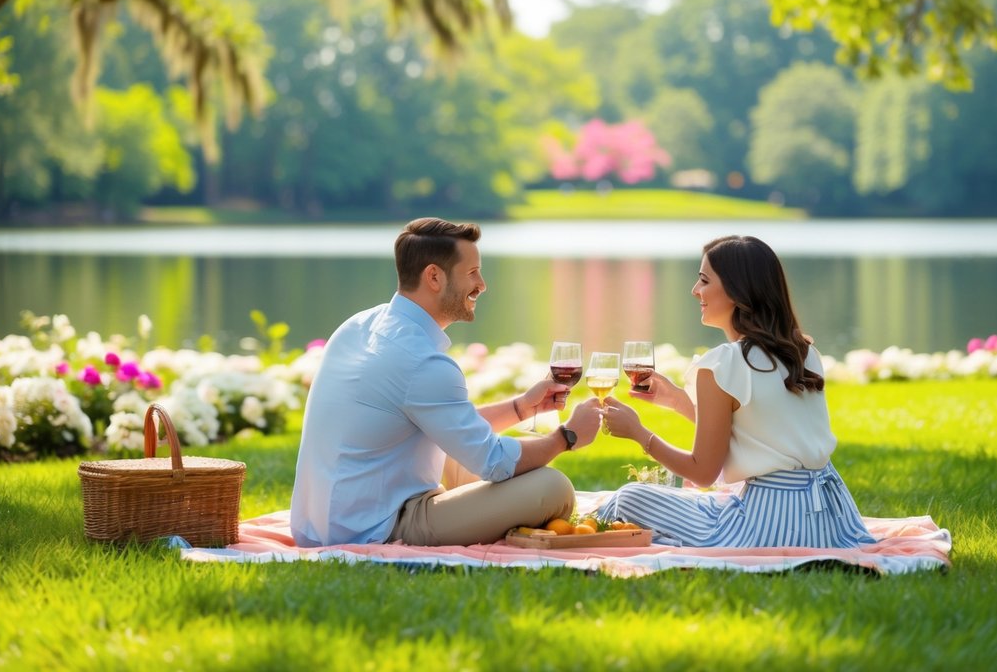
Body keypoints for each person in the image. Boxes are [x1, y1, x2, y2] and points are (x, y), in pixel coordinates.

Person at [290, 217, 602, 547]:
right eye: (472, 273)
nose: (482, 284)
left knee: (470, 453)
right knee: (552, 489)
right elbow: (494, 463)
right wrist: (567, 436)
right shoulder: (422, 361)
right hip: (377, 527)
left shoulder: (362, 325)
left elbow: (453, 426)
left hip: (322, 522)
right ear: (434, 277)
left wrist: (521, 407)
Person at [596, 235, 876, 549]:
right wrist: (676, 400)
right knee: (698, 501)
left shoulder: (722, 364)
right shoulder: (803, 351)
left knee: (630, 499)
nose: (695, 290)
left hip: (767, 525)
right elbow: (758, 432)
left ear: (736, 290)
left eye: (703, 280)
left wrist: (639, 434)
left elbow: (702, 472)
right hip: (831, 520)